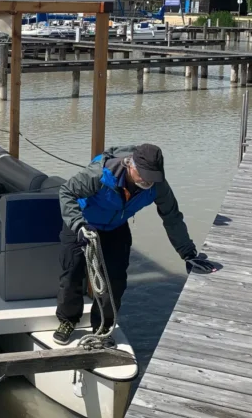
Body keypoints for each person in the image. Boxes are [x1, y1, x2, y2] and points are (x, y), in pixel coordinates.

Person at [53, 144, 216, 346]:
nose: (147, 181)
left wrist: (188, 253)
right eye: (143, 175)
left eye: (152, 177)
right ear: (129, 164)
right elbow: (66, 192)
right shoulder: (101, 174)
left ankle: (103, 327)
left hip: (115, 228)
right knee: (71, 275)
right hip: (82, 223)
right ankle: (67, 320)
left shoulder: (158, 185)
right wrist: (78, 224)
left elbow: (172, 217)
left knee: (115, 281)